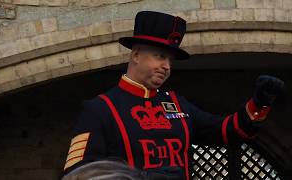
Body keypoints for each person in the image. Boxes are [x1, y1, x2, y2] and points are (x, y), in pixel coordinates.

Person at [62, 11, 284, 180]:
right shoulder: (100, 109)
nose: (166, 66)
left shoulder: (177, 104)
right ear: (136, 55)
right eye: (159, 56)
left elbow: (228, 132)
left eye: (170, 60)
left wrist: (259, 103)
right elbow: (78, 174)